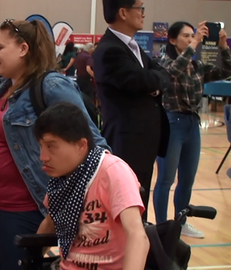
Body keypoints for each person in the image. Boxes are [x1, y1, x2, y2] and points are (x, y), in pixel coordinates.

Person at [0, 19, 109, 269]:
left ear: (23, 49)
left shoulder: (51, 86)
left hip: (22, 209)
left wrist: (111, 183)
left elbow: (93, 142)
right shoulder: (5, 88)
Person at [36, 102, 149, 270]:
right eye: (41, 147)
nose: (43, 157)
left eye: (51, 147)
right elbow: (50, 222)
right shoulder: (61, 178)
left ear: (82, 145)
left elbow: (138, 236)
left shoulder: (112, 171)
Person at [93, 0, 170, 220]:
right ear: (123, 12)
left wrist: (154, 86)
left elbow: (161, 76)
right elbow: (143, 80)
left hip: (143, 142)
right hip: (127, 143)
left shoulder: (131, 47)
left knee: (140, 204)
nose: (143, 14)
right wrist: (153, 85)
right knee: (127, 209)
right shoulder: (110, 50)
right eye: (140, 8)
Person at [154, 21, 231, 238]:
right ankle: (161, 227)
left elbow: (226, 70)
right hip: (172, 123)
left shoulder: (196, 66)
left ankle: (180, 222)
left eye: (192, 36)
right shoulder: (164, 61)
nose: (191, 40)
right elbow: (172, 74)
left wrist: (223, 47)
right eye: (186, 36)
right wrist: (195, 43)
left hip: (192, 124)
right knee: (166, 179)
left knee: (187, 178)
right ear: (172, 39)